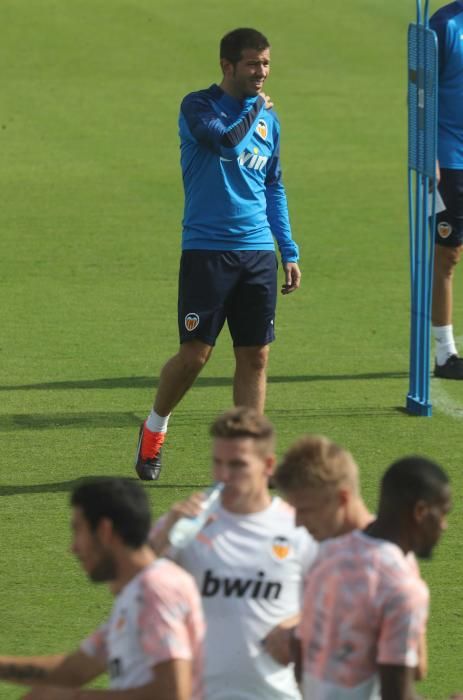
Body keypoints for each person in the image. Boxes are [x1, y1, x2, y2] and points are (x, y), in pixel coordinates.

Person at [135, 27, 301, 480]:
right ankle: (154, 430)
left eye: (266, 63)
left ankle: (248, 458)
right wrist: (255, 110)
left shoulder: (270, 121)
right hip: (207, 251)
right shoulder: (198, 106)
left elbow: (273, 186)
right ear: (227, 66)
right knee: (195, 355)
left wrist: (287, 248)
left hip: (256, 253)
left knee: (256, 357)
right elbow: (225, 140)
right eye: (252, 64)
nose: (262, 72)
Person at [150, 407, 319, 700]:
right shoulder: (186, 523)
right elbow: (132, 592)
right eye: (217, 463)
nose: (224, 476)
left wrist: (297, 625)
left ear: (268, 466)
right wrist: (163, 538)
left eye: (238, 465)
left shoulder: (299, 530)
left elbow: (336, 605)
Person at [0, 478, 204, 700]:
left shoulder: (155, 591)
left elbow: (172, 693)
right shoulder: (135, 595)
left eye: (78, 531)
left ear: (105, 531)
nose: (73, 548)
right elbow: (74, 671)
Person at [265, 436, 427, 681]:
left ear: (342, 498)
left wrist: (299, 635)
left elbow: (416, 665)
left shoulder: (391, 558)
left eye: (305, 510)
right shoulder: (322, 547)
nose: (297, 522)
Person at [298, 455, 451, 700]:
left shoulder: (327, 553)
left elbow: (299, 649)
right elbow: (397, 693)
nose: (444, 525)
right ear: (420, 511)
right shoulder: (401, 587)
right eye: (442, 513)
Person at [429, 2, 463, 379]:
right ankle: (445, 353)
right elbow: (421, 92)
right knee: (448, 254)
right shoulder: (444, 25)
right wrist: (428, 156)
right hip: (451, 160)